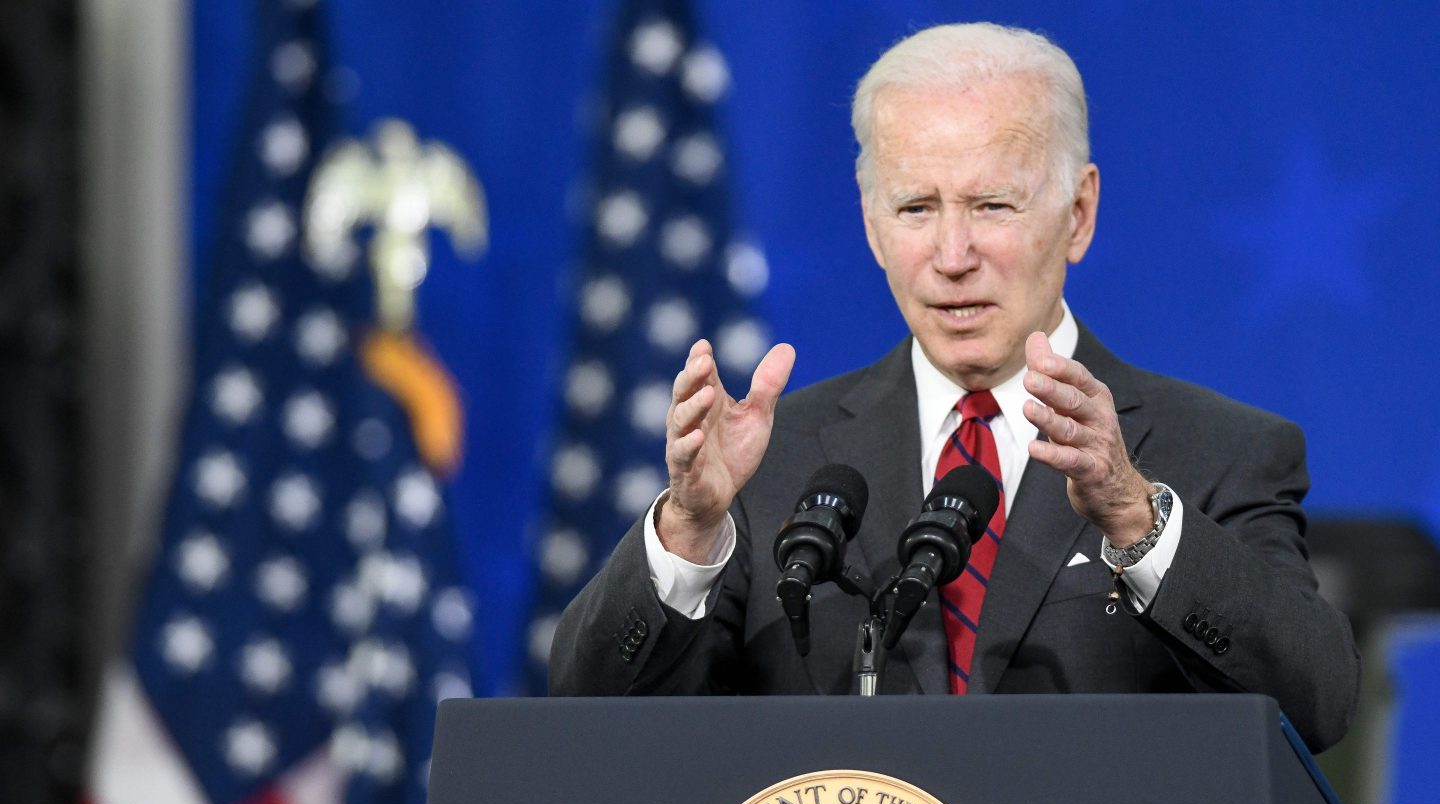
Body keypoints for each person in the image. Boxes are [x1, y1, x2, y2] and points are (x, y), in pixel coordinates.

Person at [548, 22, 1359, 752]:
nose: (953, 253)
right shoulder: (767, 463)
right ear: (870, 224)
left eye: (992, 204)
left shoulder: (1217, 452)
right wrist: (688, 528)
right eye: (915, 208)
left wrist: (1137, 520)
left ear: (1078, 214)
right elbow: (587, 715)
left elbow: (1316, 705)